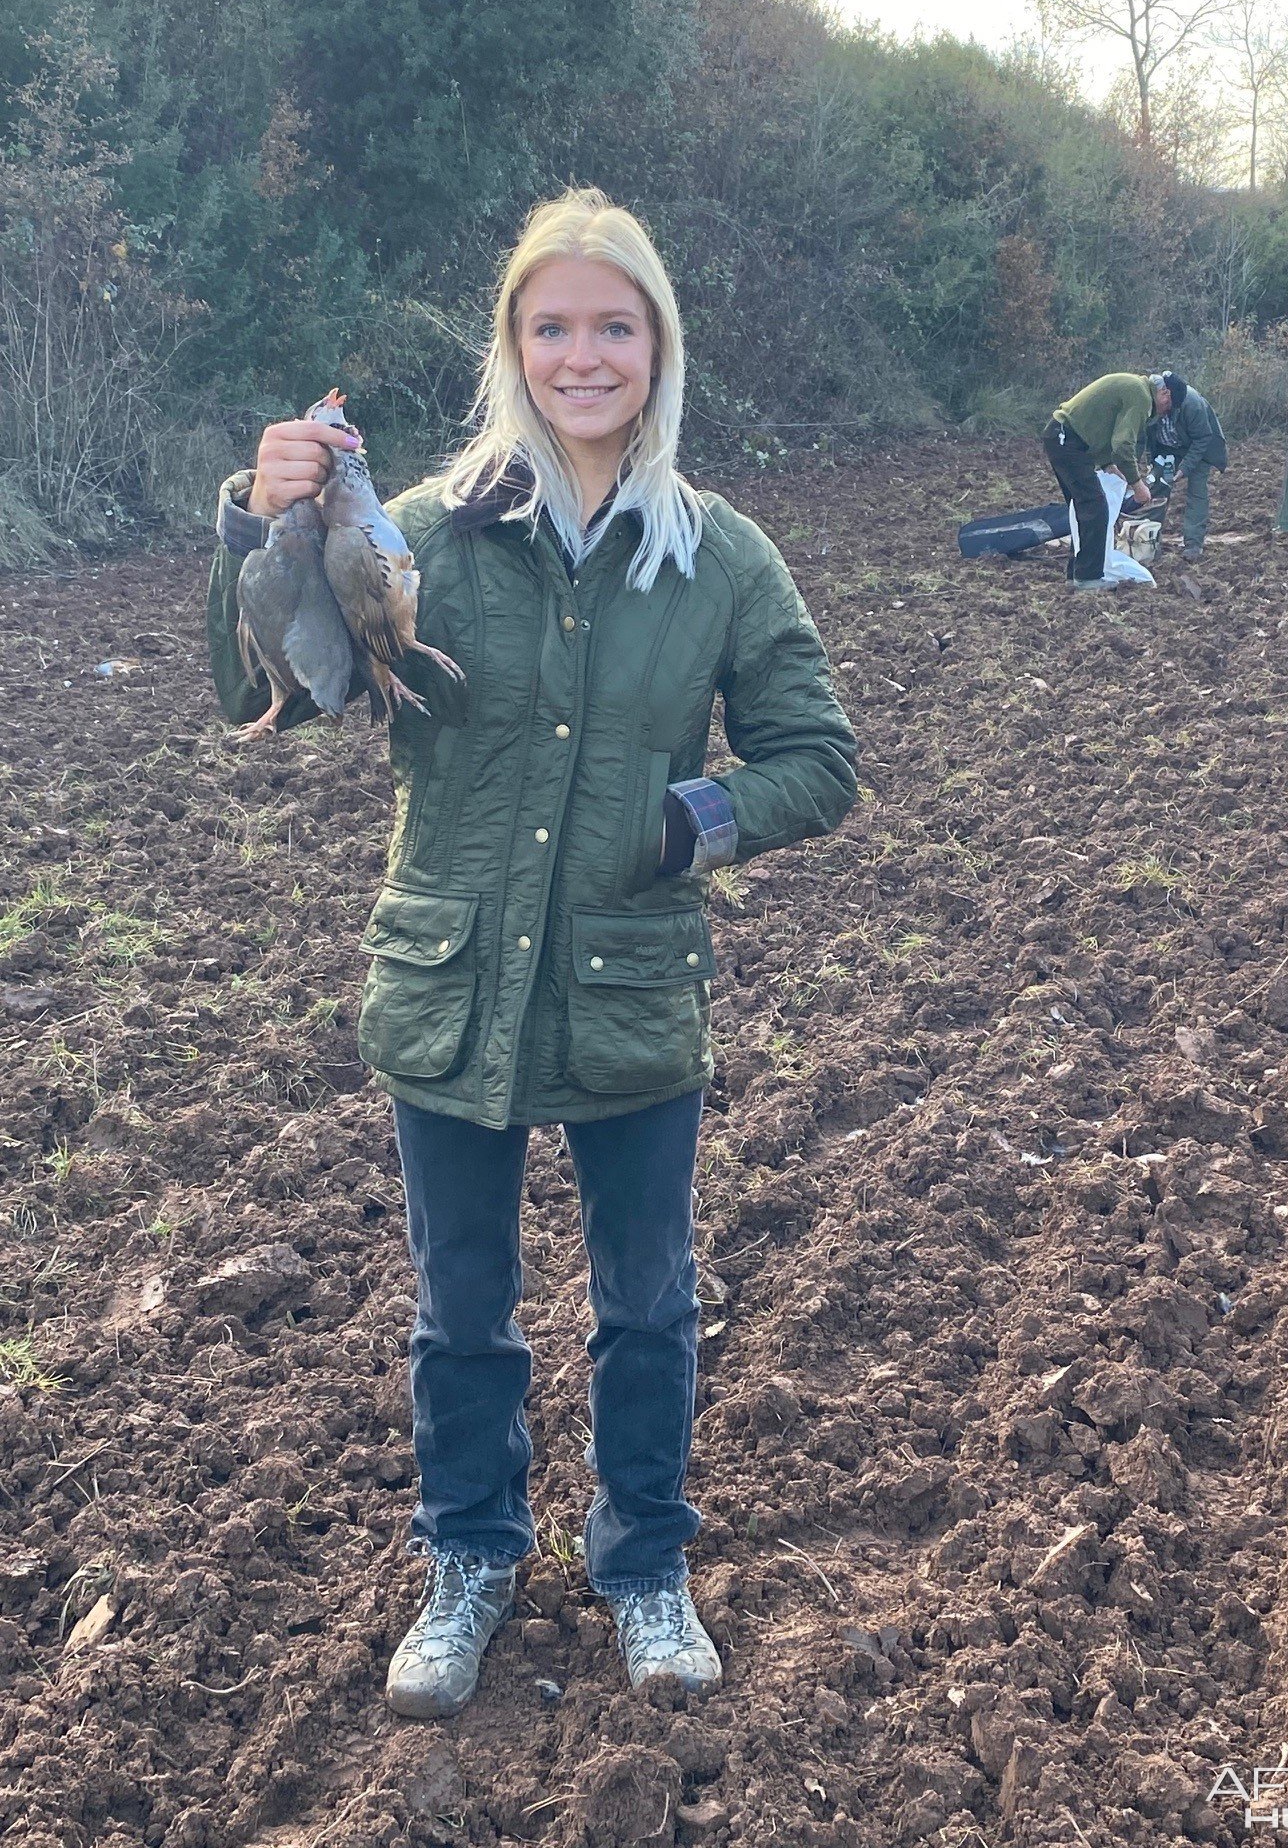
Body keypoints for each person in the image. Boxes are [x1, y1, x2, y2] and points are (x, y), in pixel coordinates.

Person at [205, 187, 859, 1718]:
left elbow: (818, 757)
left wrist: (684, 823)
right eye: (552, 325)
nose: (584, 355)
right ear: (514, 346)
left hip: (635, 992)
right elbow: (282, 685)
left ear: (658, 348)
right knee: (462, 1312)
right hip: (451, 987)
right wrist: (261, 517)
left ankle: (642, 1565)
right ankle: (472, 1559)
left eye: (612, 326)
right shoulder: (420, 532)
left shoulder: (718, 557)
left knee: (647, 1302)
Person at [1042, 372, 1172, 591]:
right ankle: (1088, 579)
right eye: (1168, 405)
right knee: (1094, 507)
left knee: (1082, 511)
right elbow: (1122, 445)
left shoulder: (1135, 387)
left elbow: (1100, 427)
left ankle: (1076, 575)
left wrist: (1106, 464)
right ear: (1164, 393)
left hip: (1062, 437)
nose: (1166, 411)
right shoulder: (1140, 396)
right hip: (1067, 441)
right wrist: (1137, 483)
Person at [1143, 377, 1228, 560]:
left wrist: (1184, 468)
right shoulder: (1146, 401)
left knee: (1196, 492)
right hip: (1167, 449)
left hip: (1197, 448)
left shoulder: (1192, 403)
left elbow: (1203, 438)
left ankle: (1193, 544)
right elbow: (1147, 437)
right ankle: (1150, 542)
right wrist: (1151, 463)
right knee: (1156, 489)